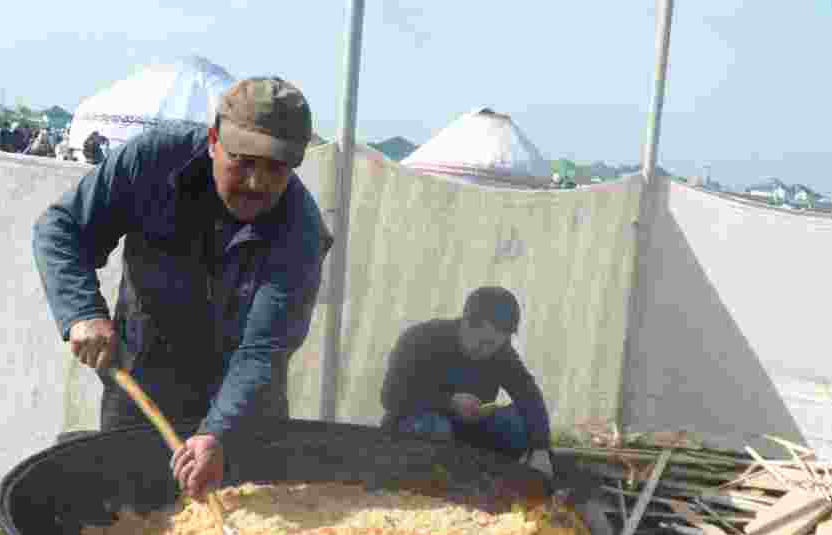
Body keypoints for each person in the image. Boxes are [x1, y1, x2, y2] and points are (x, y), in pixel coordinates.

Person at [33, 76, 331, 498]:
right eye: (244, 161)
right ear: (213, 141)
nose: (256, 183)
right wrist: (82, 311)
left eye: (276, 168)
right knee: (129, 507)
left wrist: (218, 432)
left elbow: (264, 349)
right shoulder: (152, 161)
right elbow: (61, 228)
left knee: (250, 511)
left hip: (243, 404)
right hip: (142, 385)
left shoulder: (301, 232)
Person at [380, 286, 554, 478]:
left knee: (517, 422)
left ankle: (489, 478)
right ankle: (424, 483)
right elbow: (390, 395)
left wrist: (541, 449)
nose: (487, 350)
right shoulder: (421, 338)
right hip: (415, 424)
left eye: (495, 345)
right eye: (483, 342)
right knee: (434, 427)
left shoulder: (501, 353)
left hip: (466, 428)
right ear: (466, 322)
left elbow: (529, 395)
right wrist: (449, 402)